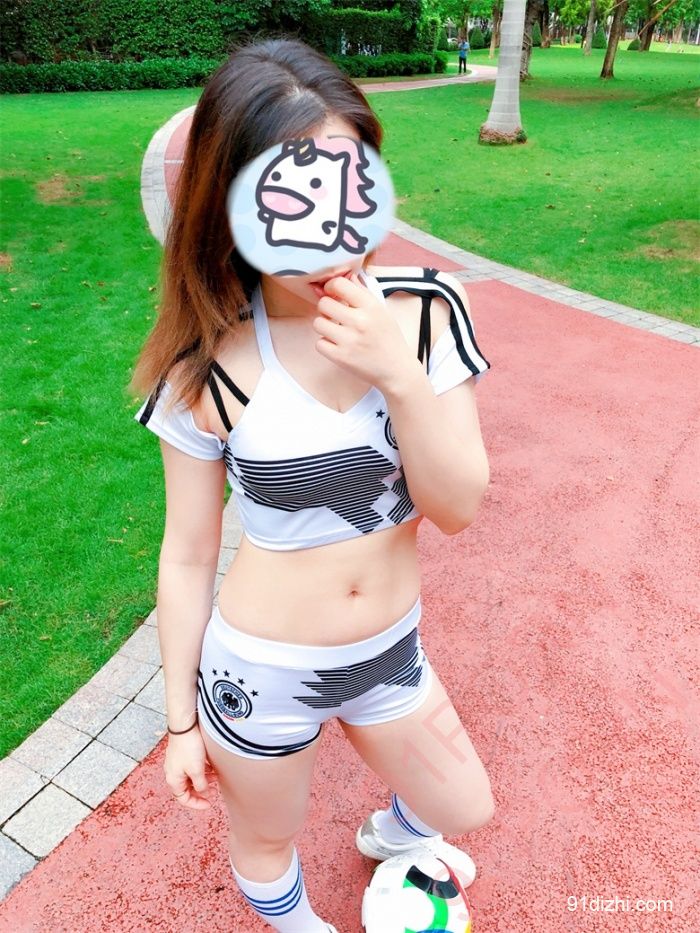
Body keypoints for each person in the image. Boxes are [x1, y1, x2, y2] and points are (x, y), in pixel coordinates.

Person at [131, 37, 494, 933]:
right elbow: (187, 554)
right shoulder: (206, 364)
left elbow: (457, 507)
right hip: (261, 671)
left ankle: (394, 838)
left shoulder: (424, 312)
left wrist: (398, 373)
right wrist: (179, 721)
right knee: (267, 837)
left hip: (391, 652)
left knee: (465, 804)